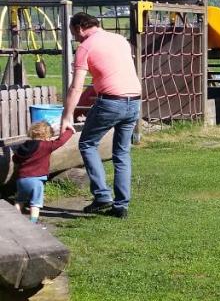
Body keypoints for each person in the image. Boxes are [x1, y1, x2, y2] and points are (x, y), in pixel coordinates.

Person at [59, 12, 142, 219]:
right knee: (122, 153)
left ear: (79, 27)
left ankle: (102, 196)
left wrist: (67, 116)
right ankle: (121, 206)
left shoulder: (85, 47)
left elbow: (76, 87)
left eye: (73, 33)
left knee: (87, 144)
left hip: (111, 102)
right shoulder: (119, 40)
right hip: (135, 100)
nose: (75, 38)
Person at [13, 119, 74, 223]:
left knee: (19, 201)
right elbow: (60, 141)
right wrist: (69, 131)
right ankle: (33, 222)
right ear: (47, 135)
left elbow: (15, 159)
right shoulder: (45, 146)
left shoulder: (24, 146)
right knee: (35, 204)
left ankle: (13, 219)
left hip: (21, 179)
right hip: (36, 181)